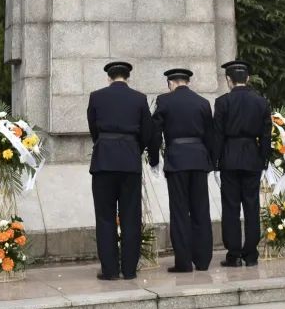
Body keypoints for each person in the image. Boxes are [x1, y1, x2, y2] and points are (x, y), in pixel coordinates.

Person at [87, 60, 153, 280]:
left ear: (109, 77)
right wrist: (134, 148)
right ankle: (129, 269)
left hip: (104, 160)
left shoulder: (96, 97)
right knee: (130, 216)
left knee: (105, 217)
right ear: (127, 76)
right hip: (129, 161)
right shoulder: (139, 98)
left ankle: (110, 270)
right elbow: (146, 133)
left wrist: (105, 143)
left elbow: (93, 129)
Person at [149, 67, 215, 273]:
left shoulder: (165, 101)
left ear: (171, 83)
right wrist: (211, 162)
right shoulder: (203, 103)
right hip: (199, 160)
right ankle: (203, 260)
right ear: (187, 82)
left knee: (179, 212)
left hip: (177, 159)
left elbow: (154, 133)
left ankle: (184, 262)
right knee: (201, 210)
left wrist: (153, 160)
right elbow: (211, 136)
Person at [213, 58, 271, 267]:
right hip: (252, 157)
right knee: (251, 206)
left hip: (229, 157)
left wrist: (215, 163)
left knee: (230, 207)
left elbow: (217, 135)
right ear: (247, 78)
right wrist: (264, 161)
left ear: (229, 80)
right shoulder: (261, 102)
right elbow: (266, 136)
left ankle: (234, 253)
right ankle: (251, 254)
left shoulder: (222, 102)